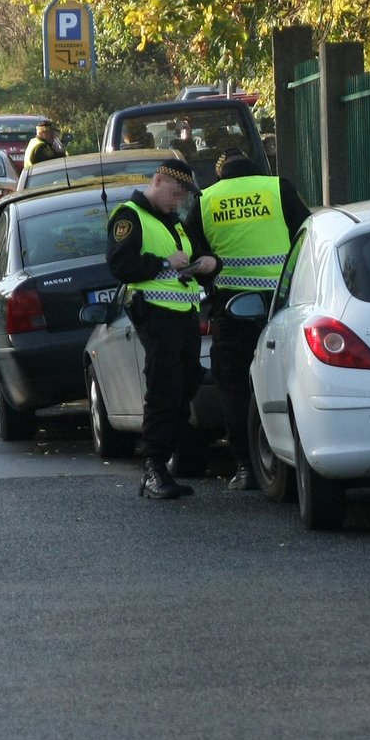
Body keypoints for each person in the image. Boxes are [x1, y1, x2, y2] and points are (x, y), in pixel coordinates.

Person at [184, 148, 310, 490]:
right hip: (284, 305)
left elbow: (195, 257)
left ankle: (247, 468)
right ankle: (299, 462)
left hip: (232, 308)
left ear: (221, 173)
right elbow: (308, 236)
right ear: (255, 169)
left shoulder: (206, 199)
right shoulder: (277, 188)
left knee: (234, 389)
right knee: (292, 383)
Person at [106, 159, 220, 499]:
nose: (180, 199)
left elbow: (192, 258)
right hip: (155, 315)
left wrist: (210, 264)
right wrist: (162, 263)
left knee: (187, 381)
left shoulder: (173, 222)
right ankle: (154, 467)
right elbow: (120, 265)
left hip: (183, 313)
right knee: (164, 387)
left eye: (185, 194)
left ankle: (163, 461)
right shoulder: (130, 216)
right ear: (158, 180)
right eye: (176, 191)